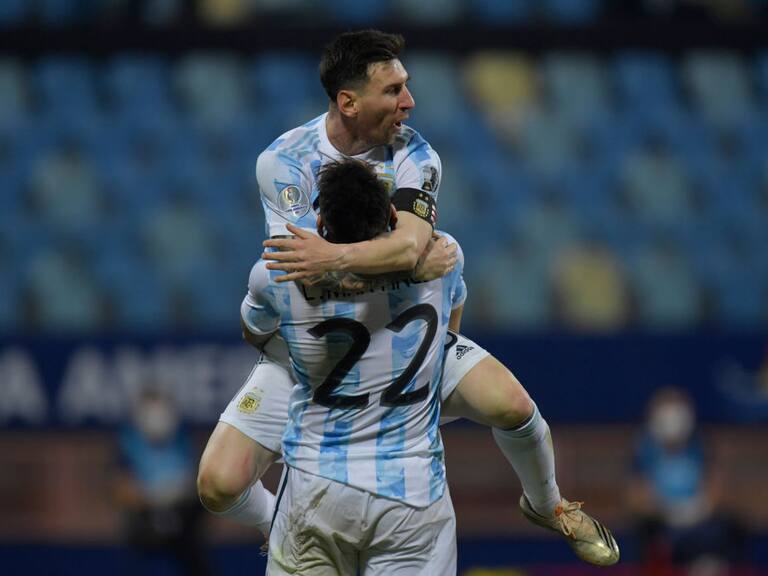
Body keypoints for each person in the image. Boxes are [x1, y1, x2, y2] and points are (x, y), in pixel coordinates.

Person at [197, 29, 619, 567]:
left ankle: (549, 504)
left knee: (513, 405)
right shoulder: (282, 161)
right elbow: (306, 274)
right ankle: (280, 517)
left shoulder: (417, 155)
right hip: (316, 354)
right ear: (348, 102)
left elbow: (401, 247)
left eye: (407, 85)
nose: (409, 102)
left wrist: (344, 261)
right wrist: (393, 264)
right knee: (217, 483)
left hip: (403, 330)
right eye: (393, 89)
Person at [250, 158, 463, 573]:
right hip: (411, 490)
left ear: (321, 221)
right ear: (392, 216)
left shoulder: (275, 275)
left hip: (315, 486)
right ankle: (547, 501)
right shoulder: (443, 256)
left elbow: (253, 331)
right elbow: (452, 337)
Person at [627, 387, 746, 571]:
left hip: (698, 520)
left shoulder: (700, 445)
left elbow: (715, 486)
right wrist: (666, 510)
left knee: (728, 529)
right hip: (663, 523)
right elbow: (636, 497)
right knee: (648, 534)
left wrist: (698, 508)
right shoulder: (645, 449)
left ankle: (707, 566)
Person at [115, 386, 212, 576]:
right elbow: (121, 488)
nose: (157, 414)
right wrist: (152, 497)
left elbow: (197, 479)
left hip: (182, 517)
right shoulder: (128, 439)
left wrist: (179, 494)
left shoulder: (182, 436)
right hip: (145, 520)